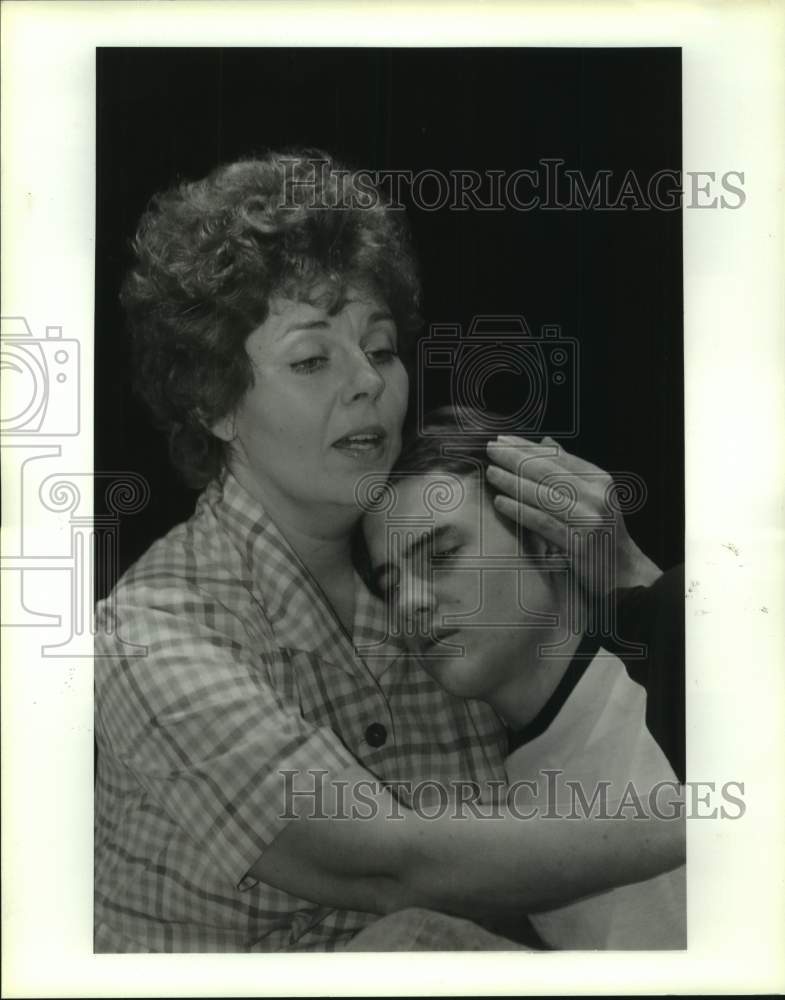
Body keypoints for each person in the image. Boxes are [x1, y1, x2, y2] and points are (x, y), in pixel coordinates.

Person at [94, 150, 684, 953]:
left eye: (378, 348)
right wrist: (727, 819)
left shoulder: (450, 610)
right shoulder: (154, 630)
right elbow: (385, 868)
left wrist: (640, 588)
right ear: (215, 403)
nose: (367, 384)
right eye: (310, 360)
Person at [360, 407, 686, 949]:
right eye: (390, 585)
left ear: (546, 538)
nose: (410, 604)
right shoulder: (495, 803)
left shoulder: (684, 668)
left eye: (441, 555)